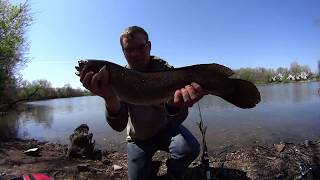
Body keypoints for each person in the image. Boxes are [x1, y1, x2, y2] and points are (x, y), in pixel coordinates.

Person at [80, 26, 205, 180]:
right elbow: (119, 126)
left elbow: (176, 119)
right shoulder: (116, 78)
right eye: (129, 49)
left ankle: (173, 171)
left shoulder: (168, 72)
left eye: (140, 47)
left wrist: (175, 106)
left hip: (166, 129)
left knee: (189, 148)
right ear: (123, 52)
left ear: (149, 46)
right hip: (138, 138)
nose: (136, 53)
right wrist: (109, 98)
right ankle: (149, 165)